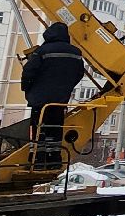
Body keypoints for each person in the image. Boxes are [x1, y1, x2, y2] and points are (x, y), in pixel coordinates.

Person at [21, 21, 86, 168]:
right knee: (55, 128)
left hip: (40, 100)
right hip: (59, 100)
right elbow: (79, 74)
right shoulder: (75, 53)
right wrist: (66, 87)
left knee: (38, 129)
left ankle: (37, 158)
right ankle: (54, 158)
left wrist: (27, 88)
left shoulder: (43, 51)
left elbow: (29, 71)